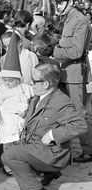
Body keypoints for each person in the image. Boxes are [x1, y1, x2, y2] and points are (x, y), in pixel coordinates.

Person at [1, 62, 88, 190]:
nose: (31, 84)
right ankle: (46, 173)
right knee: (14, 150)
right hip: (36, 146)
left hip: (52, 152)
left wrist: (52, 134)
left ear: (46, 84)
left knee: (10, 155)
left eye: (34, 81)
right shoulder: (37, 98)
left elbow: (79, 125)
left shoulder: (60, 101)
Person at [0, 31, 33, 176]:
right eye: (5, 80)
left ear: (18, 79)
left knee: (21, 144)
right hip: (8, 121)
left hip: (22, 121)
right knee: (9, 144)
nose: (8, 83)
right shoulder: (2, 90)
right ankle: (8, 165)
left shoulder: (24, 87)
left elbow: (34, 93)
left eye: (11, 80)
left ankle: (21, 164)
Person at [54, 0, 92, 162]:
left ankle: (88, 150)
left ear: (71, 2)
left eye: (61, 2)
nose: (58, 6)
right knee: (64, 112)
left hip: (74, 74)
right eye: (56, 2)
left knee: (79, 113)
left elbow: (76, 51)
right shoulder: (69, 18)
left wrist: (55, 51)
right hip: (65, 73)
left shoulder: (79, 20)